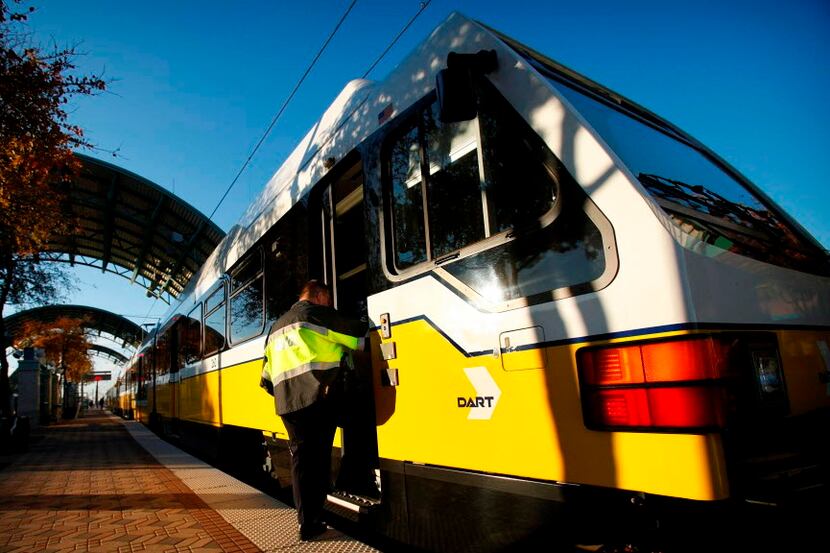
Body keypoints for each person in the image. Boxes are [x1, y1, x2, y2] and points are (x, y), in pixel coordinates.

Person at [260, 280, 366, 541]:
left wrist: (288, 395)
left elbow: (265, 378)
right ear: (320, 296)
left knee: (301, 460)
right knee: (318, 460)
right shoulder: (314, 314)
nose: (330, 305)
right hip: (317, 399)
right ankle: (311, 522)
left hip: (287, 405)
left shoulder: (275, 327)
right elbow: (359, 338)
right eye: (328, 300)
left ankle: (306, 521)